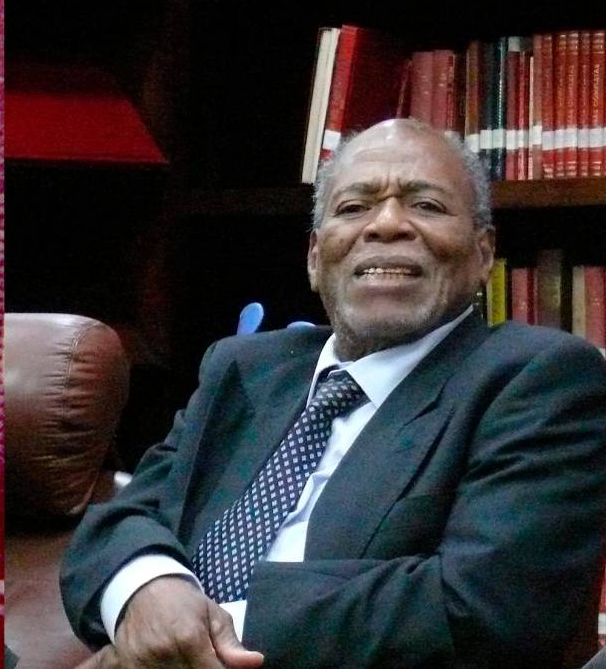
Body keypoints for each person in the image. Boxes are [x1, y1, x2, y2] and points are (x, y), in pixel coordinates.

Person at [60, 119, 606, 668]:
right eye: (353, 208)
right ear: (316, 258)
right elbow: (122, 522)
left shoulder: (538, 379)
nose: (387, 224)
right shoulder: (244, 368)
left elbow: (483, 605)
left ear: (484, 253)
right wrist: (145, 589)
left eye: (427, 206)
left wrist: (200, 632)